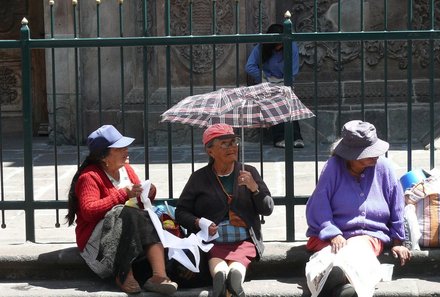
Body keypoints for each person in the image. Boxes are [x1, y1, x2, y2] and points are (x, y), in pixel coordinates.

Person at [65, 125, 178, 295]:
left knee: (146, 215)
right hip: (98, 248)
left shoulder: (127, 170)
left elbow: (137, 205)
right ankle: (124, 274)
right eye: (120, 148)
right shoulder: (89, 177)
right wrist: (123, 194)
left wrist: (147, 192)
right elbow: (89, 211)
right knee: (121, 212)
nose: (126, 151)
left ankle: (159, 276)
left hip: (127, 239)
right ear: (104, 156)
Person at [305, 120, 412, 297]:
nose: (376, 155)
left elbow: (397, 205)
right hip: (334, 234)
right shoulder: (333, 167)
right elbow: (319, 204)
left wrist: (398, 242)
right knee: (326, 258)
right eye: (369, 153)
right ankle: (342, 289)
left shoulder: (384, 167)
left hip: (369, 234)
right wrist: (333, 233)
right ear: (351, 155)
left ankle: (334, 286)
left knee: (358, 252)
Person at [175, 123, 274, 297]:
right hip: (213, 242)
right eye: (225, 144)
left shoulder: (249, 172)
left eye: (234, 142)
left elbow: (267, 208)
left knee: (238, 263)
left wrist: (254, 188)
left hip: (244, 240)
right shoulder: (199, 178)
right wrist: (198, 222)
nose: (232, 147)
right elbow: (181, 212)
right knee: (216, 261)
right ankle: (220, 278)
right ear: (210, 151)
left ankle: (234, 280)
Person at [245, 23, 303, 149]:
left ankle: (296, 137)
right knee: (274, 104)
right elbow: (250, 66)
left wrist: (285, 85)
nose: (280, 46)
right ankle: (279, 138)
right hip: (268, 81)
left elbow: (293, 70)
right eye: (277, 44)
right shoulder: (261, 47)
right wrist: (264, 77)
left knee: (289, 104)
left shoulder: (291, 46)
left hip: (285, 80)